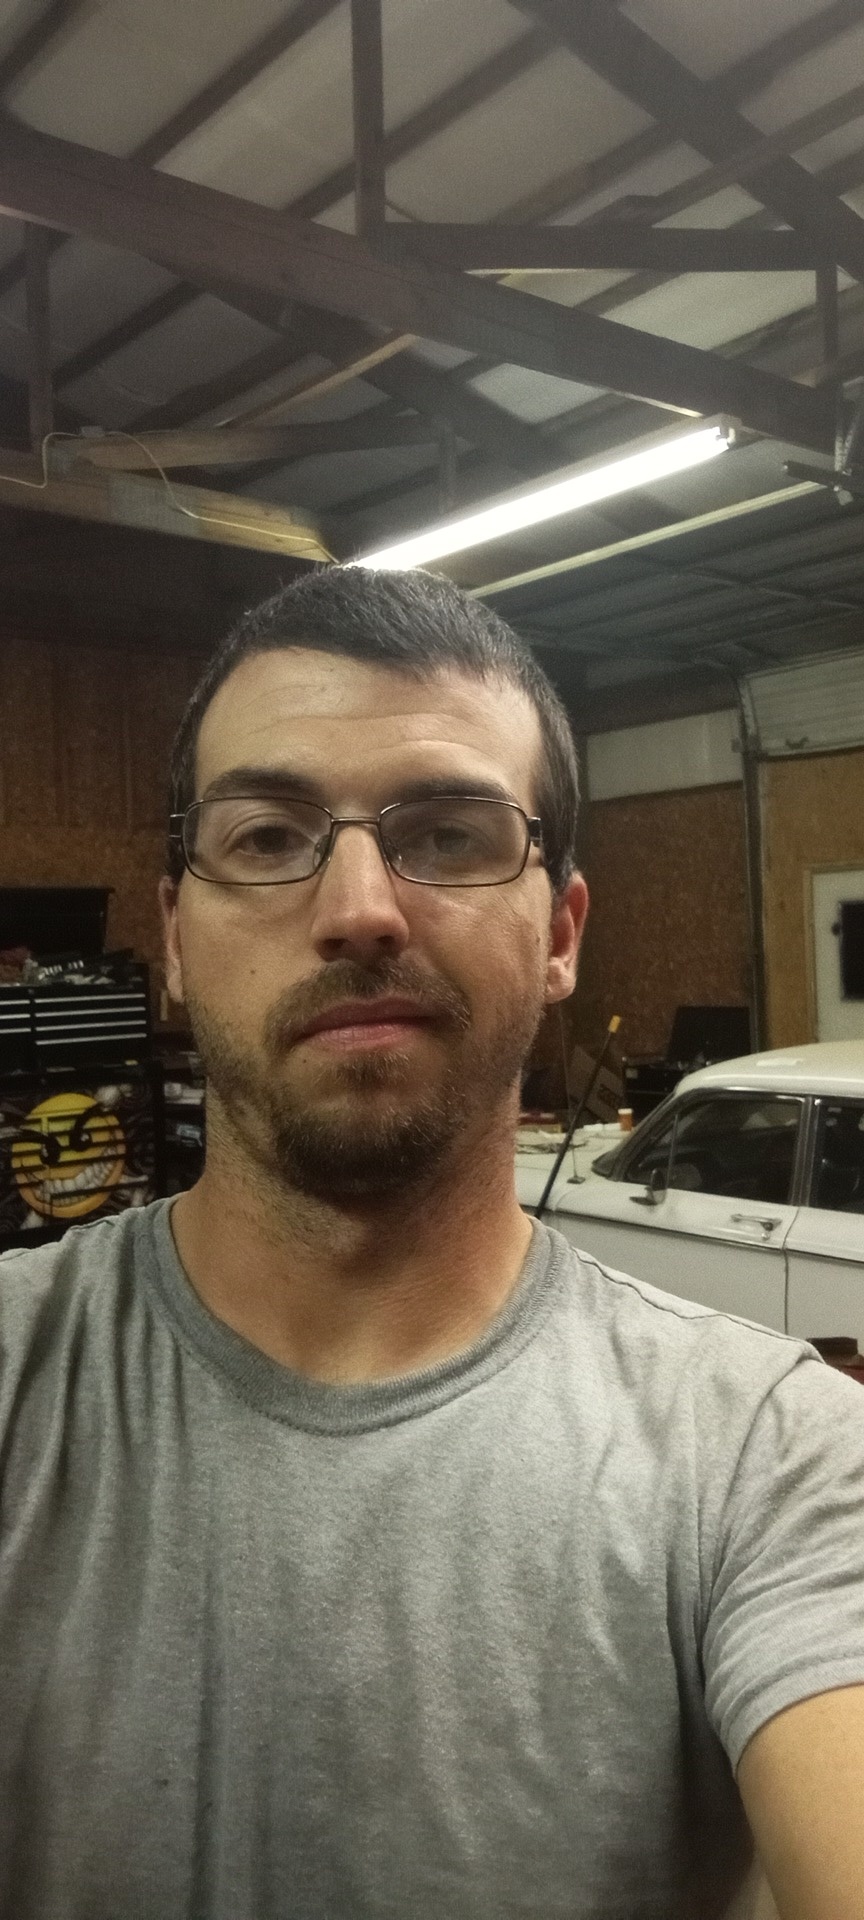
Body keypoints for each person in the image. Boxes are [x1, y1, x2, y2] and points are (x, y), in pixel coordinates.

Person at [0, 566, 862, 1920]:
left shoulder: (773, 1457)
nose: (359, 906)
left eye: (450, 835)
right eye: (268, 836)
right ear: (174, 936)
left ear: (561, 932)